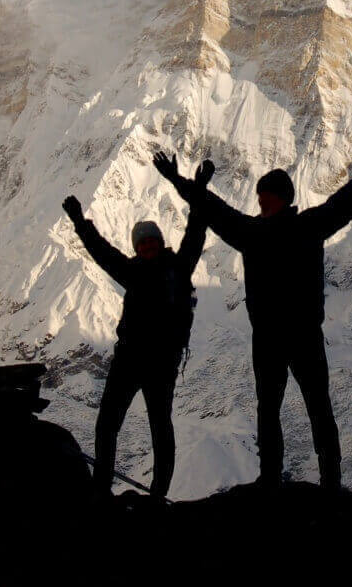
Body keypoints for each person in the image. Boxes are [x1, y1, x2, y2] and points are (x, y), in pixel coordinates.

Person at [153, 138, 352, 491]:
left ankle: (273, 480)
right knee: (317, 408)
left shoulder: (253, 233)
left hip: (270, 337)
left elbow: (211, 208)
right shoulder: (309, 226)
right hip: (303, 333)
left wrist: (177, 180)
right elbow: (351, 198)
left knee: (272, 410)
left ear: (273, 196)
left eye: (262, 194)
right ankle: (329, 480)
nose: (258, 200)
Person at [61, 158, 213, 499]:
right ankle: (102, 486)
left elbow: (195, 231)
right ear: (137, 247)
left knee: (158, 426)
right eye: (142, 244)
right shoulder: (132, 271)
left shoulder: (178, 266)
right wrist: (79, 222)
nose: (147, 247)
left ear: (158, 242)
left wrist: (200, 191)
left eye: (150, 242)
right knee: (110, 422)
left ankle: (158, 493)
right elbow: (101, 251)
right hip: (129, 358)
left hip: (160, 362)